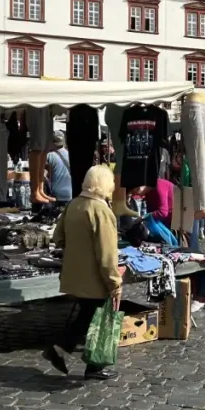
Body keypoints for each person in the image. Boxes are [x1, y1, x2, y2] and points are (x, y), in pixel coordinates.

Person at [43, 164, 122, 381]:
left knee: (86, 317)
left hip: (74, 274)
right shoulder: (101, 210)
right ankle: (93, 366)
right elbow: (107, 254)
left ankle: (60, 350)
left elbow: (58, 237)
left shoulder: (73, 205)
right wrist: (114, 282)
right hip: (94, 278)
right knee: (98, 319)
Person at [45, 131, 73, 203]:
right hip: (70, 194)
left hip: (55, 195)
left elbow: (44, 175)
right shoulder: (71, 155)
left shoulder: (49, 156)